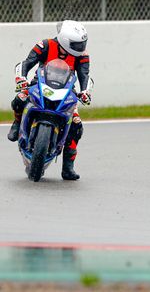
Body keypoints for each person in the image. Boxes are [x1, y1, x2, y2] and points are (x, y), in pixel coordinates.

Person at [7, 20, 92, 181]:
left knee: (76, 125)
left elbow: (84, 76)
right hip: (39, 83)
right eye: (77, 44)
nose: (81, 48)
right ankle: (17, 122)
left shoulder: (82, 56)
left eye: (82, 43)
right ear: (65, 40)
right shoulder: (45, 45)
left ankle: (68, 168)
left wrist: (85, 92)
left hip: (66, 90)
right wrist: (21, 78)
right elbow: (27, 63)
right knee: (19, 99)